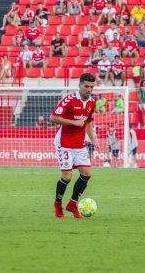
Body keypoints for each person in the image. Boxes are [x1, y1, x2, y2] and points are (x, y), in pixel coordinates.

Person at [49, 73, 99, 219]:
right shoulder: (69, 100)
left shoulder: (92, 102)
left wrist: (93, 140)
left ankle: (72, 203)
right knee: (67, 176)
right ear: (79, 85)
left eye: (91, 87)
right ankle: (58, 204)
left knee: (86, 173)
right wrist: (73, 122)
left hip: (79, 144)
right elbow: (52, 118)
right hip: (64, 143)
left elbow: (88, 122)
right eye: (86, 86)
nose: (89, 90)